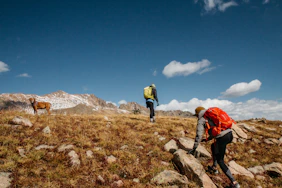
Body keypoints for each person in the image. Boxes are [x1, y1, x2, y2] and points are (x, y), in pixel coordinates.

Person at [189, 106, 240, 188]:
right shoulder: (210, 115)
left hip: (222, 138)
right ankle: (214, 167)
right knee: (213, 146)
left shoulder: (202, 119)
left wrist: (194, 148)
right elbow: (216, 130)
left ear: (198, 113)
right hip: (229, 134)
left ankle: (234, 183)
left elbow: (199, 134)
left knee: (221, 161)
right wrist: (207, 139)